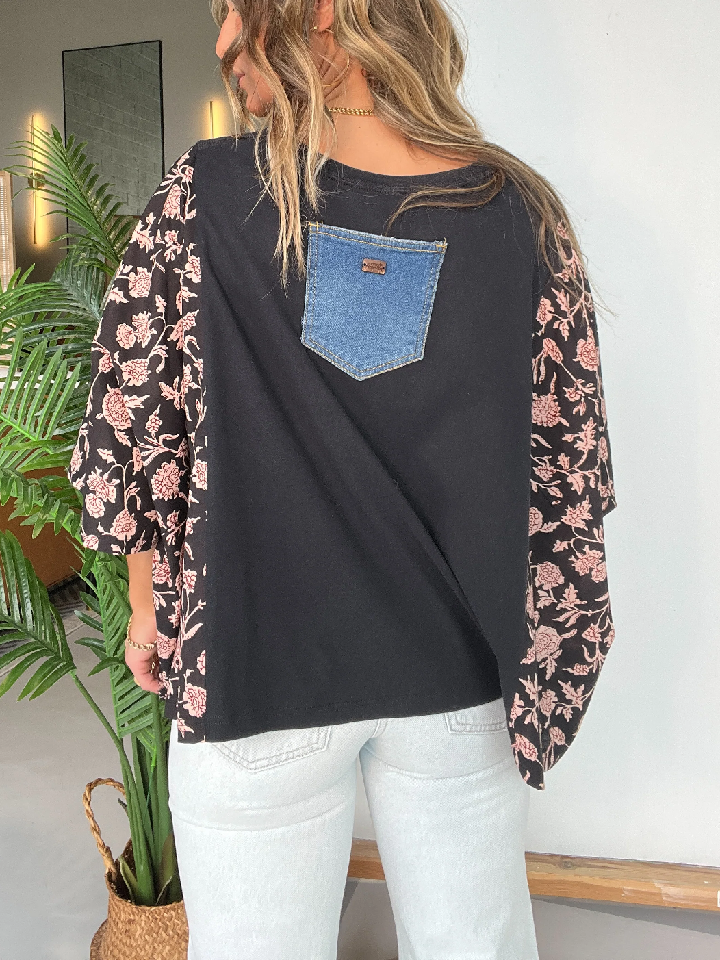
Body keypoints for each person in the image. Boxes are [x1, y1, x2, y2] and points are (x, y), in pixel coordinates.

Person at [67, 0, 617, 956]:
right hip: (455, 678)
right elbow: (566, 472)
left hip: (253, 667)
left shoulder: (206, 199)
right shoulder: (519, 216)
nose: (221, 42)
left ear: (322, 10)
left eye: (232, 10)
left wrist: (147, 605)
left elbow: (137, 426)